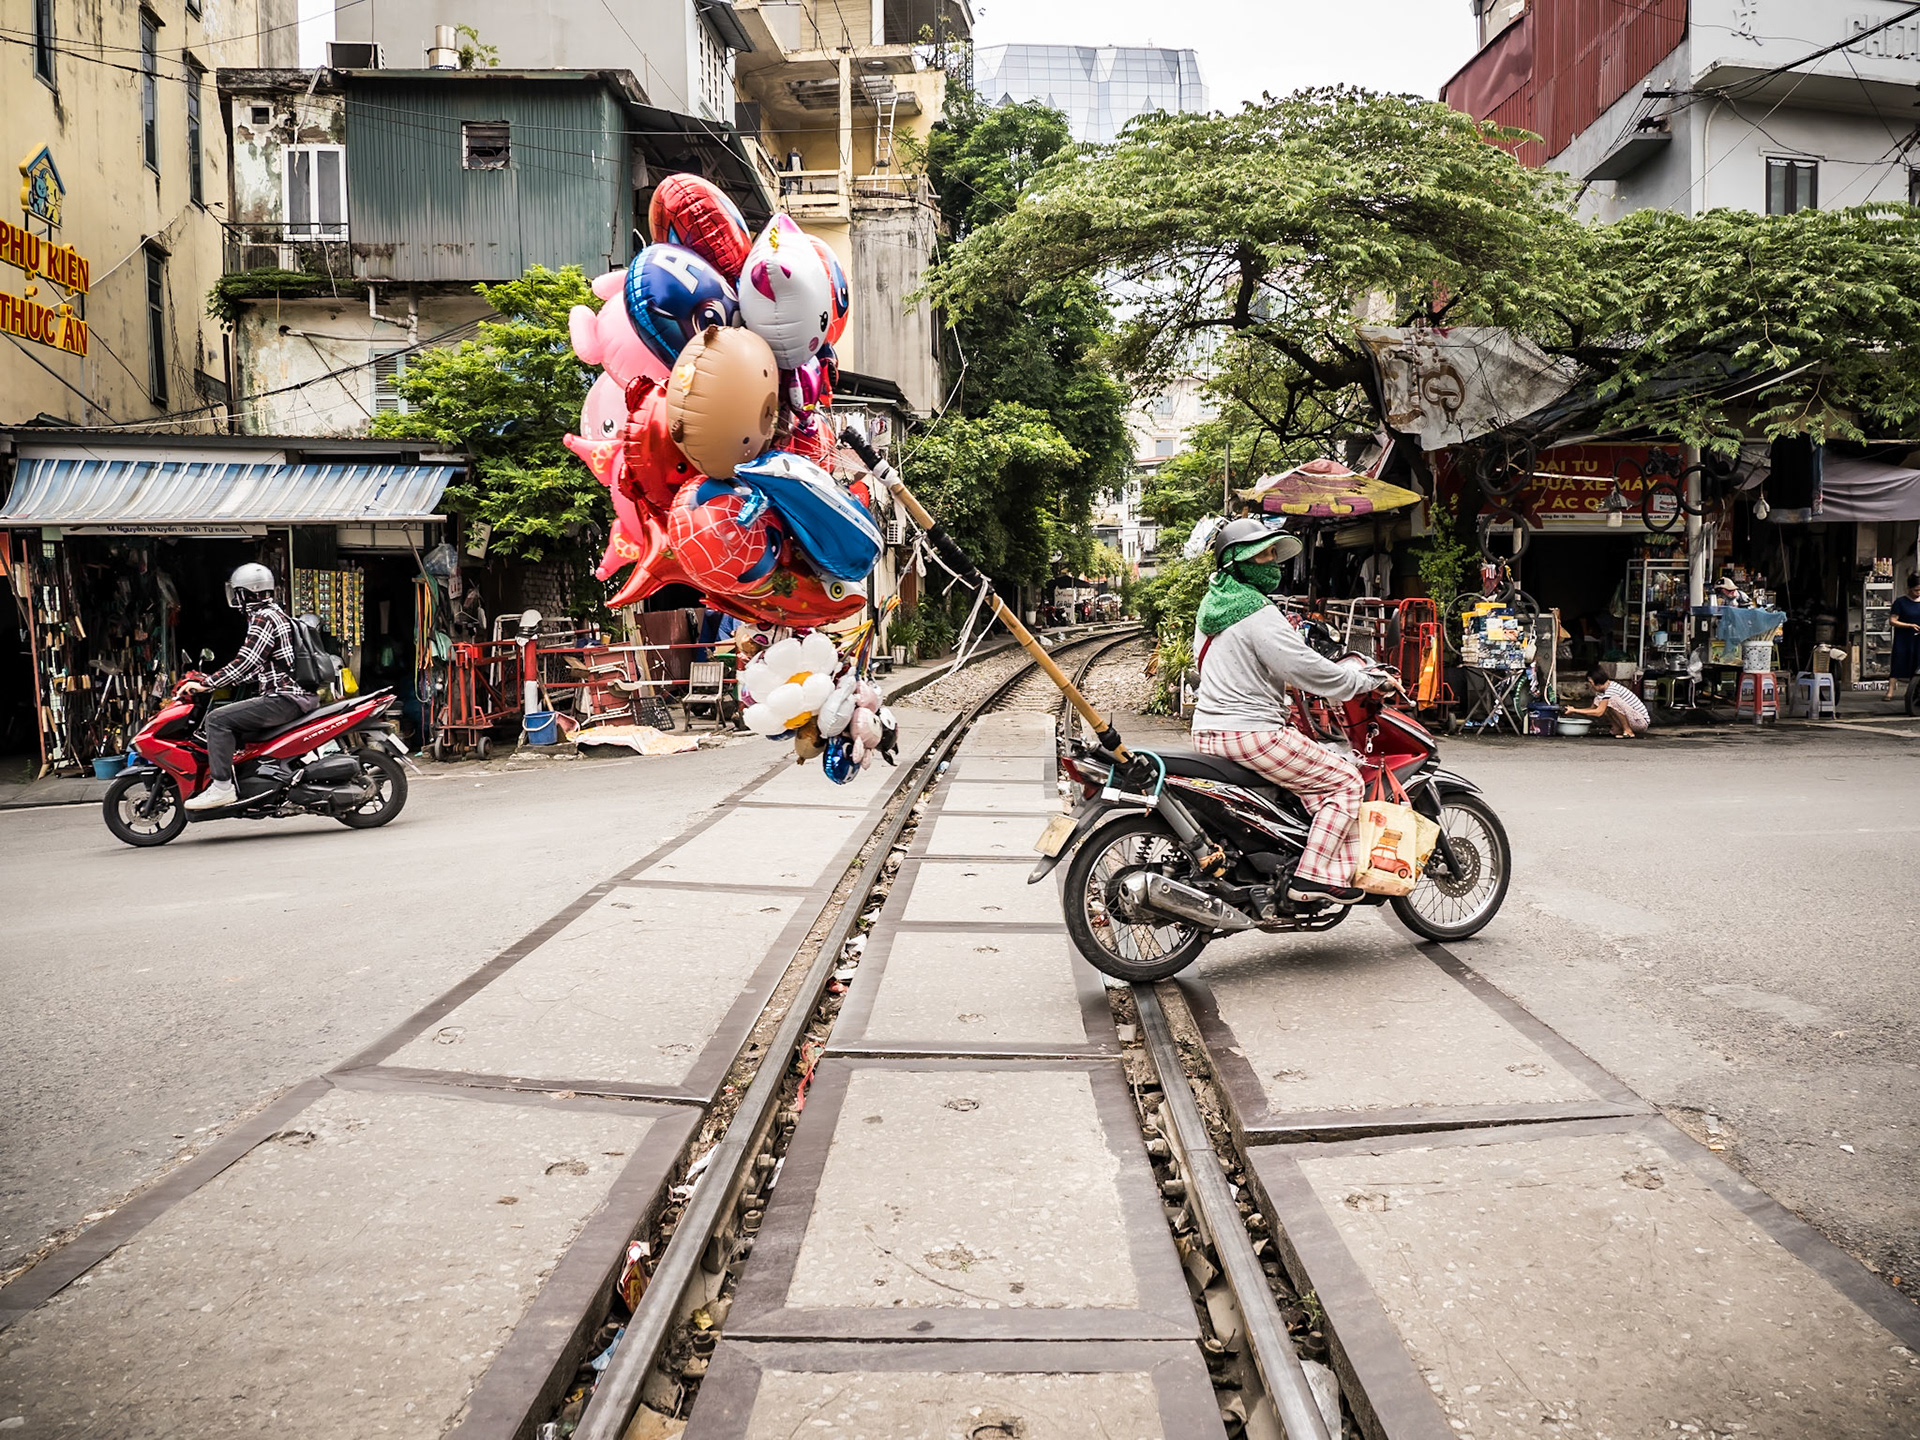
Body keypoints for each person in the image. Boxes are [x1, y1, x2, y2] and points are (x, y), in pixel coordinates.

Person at [1189, 518, 1393, 906]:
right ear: (1237, 560)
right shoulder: (1255, 610)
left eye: (1272, 554)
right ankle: (1311, 879)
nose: (1273, 563)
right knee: (1346, 781)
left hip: (1209, 729)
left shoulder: (1213, 604)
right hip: (1251, 733)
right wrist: (1364, 681)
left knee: (1309, 777)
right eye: (1263, 554)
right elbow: (1305, 668)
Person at [181, 564, 319, 810]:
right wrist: (210, 679)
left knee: (216, 720)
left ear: (245, 592)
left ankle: (222, 787)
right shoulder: (274, 613)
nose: (234, 597)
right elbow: (256, 670)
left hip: (284, 698)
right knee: (232, 721)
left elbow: (247, 661)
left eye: (236, 592)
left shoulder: (263, 617)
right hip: (289, 696)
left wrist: (207, 683)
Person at [1565, 665, 1651, 738]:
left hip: (1640, 722)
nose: (1591, 686)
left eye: (1591, 683)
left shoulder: (1612, 689)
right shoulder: (1601, 693)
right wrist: (1574, 710)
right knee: (1599, 701)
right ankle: (1617, 728)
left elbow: (1599, 712)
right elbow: (1592, 710)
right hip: (1632, 720)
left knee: (1612, 700)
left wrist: (1575, 710)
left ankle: (1628, 730)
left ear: (1597, 682)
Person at [1886, 572, 1920, 702]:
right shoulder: (1900, 602)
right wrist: (1909, 625)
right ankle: (1890, 691)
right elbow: (1892, 620)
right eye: (1916, 590)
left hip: (1918, 638)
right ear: (1909, 588)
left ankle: (1914, 691)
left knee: (1917, 663)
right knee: (1899, 662)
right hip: (1904, 638)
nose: (1918, 593)